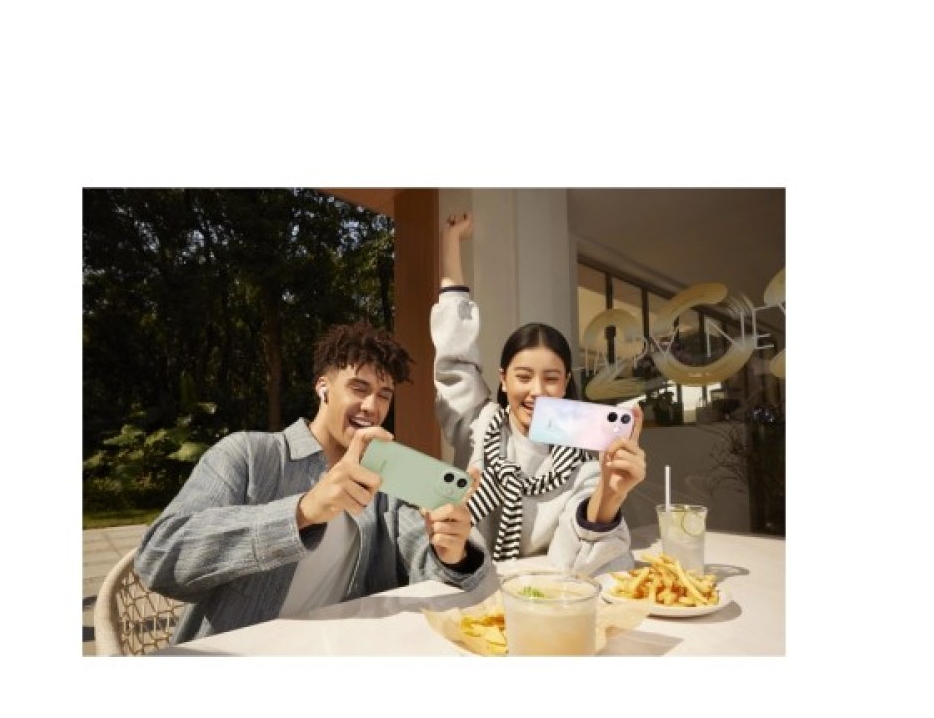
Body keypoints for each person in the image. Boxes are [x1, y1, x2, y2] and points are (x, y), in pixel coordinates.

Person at [135, 321, 492, 644]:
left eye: (384, 395)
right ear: (323, 387)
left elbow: (426, 564)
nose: (372, 406)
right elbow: (157, 558)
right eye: (359, 388)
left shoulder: (382, 485)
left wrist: (452, 552)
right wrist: (303, 511)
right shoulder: (247, 455)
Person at [431, 211, 646, 574]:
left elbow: (577, 563)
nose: (536, 391)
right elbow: (455, 354)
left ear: (565, 383)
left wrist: (610, 494)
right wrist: (450, 242)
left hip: (544, 594)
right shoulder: (478, 424)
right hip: (467, 583)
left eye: (551, 378)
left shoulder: (580, 454)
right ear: (503, 380)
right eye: (523, 376)